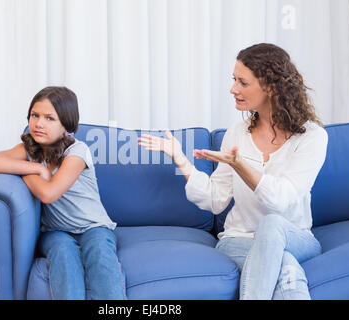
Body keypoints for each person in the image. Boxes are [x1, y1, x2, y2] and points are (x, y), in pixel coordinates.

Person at [138, 43, 328, 300]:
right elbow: (215, 200)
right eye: (233, 80)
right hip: (239, 238)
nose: (233, 89)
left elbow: (281, 200)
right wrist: (180, 158)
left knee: (272, 226)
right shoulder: (237, 134)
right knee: (286, 268)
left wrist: (241, 165)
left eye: (243, 82)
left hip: (296, 236)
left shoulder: (312, 138)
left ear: (271, 87)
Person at [0, 86, 126, 300]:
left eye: (50, 118)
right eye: (35, 115)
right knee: (63, 255)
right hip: (55, 231)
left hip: (93, 226)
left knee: (100, 255)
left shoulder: (77, 151)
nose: (39, 123)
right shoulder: (29, 150)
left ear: (67, 125)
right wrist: (36, 168)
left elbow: (49, 193)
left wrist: (24, 172)